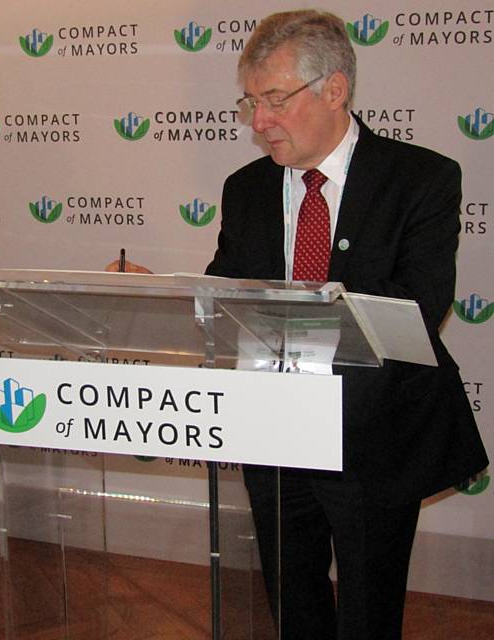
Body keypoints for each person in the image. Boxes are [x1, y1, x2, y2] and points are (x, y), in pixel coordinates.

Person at [204, 10, 489, 640]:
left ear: (334, 90)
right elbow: (230, 292)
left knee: (368, 612)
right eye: (250, 102)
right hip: (274, 431)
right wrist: (175, 296)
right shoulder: (245, 188)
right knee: (293, 603)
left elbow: (415, 305)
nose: (259, 122)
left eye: (275, 99)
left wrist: (296, 313)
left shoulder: (420, 178)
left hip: (374, 430)